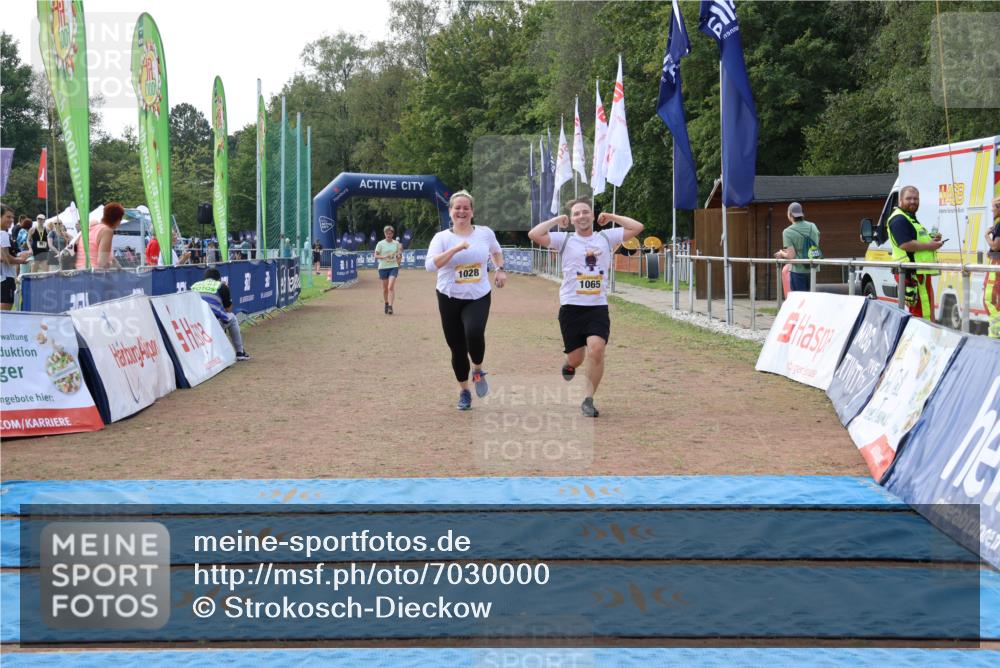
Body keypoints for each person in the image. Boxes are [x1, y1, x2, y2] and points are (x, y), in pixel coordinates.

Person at [528, 198, 643, 418]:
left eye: (585, 212)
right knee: (576, 359)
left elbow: (637, 227)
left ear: (592, 215)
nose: (581, 216)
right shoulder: (564, 239)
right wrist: (556, 220)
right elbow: (534, 234)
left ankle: (588, 399)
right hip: (571, 307)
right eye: (577, 213)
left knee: (597, 349)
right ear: (572, 219)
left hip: (597, 307)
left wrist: (611, 217)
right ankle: (569, 364)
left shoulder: (606, 237)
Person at [425, 190, 506, 410]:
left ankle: (477, 370)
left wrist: (500, 269)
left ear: (472, 211)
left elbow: (496, 251)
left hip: (478, 295)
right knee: (457, 348)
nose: (462, 211)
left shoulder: (485, 233)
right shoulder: (442, 238)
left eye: (466, 208)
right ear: (450, 211)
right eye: (457, 208)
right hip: (448, 297)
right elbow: (430, 266)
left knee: (474, 332)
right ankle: (464, 392)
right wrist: (455, 249)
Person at [887, 186, 943, 320]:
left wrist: (931, 239)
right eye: (909, 198)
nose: (913, 201)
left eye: (915, 199)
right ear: (900, 200)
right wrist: (930, 245)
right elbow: (905, 244)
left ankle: (928, 331)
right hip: (911, 273)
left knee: (925, 311)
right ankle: (925, 333)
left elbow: (915, 239)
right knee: (921, 314)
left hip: (918, 272)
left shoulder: (909, 217)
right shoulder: (899, 219)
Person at [190, 267, 250, 361]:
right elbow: (228, 309)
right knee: (232, 318)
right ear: (218, 279)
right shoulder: (221, 286)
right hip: (212, 322)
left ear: (205, 278)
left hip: (194, 323)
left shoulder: (194, 286)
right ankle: (240, 352)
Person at [773, 202, 820, 293]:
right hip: (812, 268)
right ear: (802, 213)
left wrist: (782, 253)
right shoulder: (813, 226)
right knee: (811, 298)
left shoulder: (787, 232)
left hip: (798, 270)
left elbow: (791, 255)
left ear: (790, 215)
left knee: (799, 299)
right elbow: (815, 244)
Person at [75, 202, 125, 269]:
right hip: (94, 272)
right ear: (118, 220)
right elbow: (102, 262)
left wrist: (117, 265)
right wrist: (113, 265)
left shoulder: (92, 228)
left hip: (81, 270)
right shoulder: (107, 231)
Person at [1, 205, 32, 310]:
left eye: (12, 217)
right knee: (4, 314)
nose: (11, 220)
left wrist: (18, 255)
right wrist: (21, 260)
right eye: (8, 217)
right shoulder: (3, 234)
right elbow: (4, 257)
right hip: (6, 278)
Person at [375, 225, 403, 314]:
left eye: (390, 233)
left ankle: (390, 306)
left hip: (393, 267)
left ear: (392, 234)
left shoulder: (396, 243)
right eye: (387, 233)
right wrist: (384, 256)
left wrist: (399, 256)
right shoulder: (380, 244)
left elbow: (399, 254)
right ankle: (386, 303)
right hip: (383, 268)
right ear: (384, 234)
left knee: (390, 287)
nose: (388, 235)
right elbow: (375, 255)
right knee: (385, 289)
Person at [984, 195, 1000, 339]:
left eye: (993, 207)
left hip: (997, 265)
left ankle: (996, 336)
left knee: (990, 299)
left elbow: (996, 246)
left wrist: (986, 235)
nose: (991, 210)